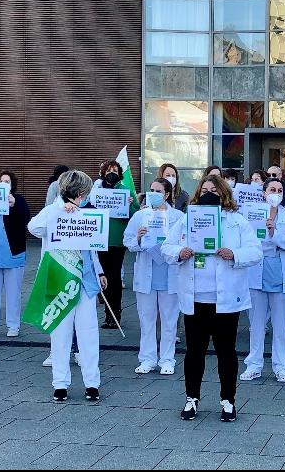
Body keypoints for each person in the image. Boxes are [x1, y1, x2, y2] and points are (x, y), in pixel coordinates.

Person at [163, 174, 260, 423]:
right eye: (204, 190)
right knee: (194, 351)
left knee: (226, 351)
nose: (209, 194)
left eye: (214, 191)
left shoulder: (236, 221)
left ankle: (228, 400)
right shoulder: (186, 220)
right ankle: (192, 398)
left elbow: (255, 251)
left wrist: (234, 254)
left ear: (223, 194)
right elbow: (166, 247)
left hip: (226, 298)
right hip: (195, 297)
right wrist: (179, 252)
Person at [30, 170, 107, 402]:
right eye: (85, 192)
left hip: (84, 281)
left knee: (89, 333)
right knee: (60, 333)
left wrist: (100, 271)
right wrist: (58, 210)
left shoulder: (87, 213)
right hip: (59, 277)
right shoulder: (52, 211)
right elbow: (33, 228)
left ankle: (92, 383)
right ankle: (60, 383)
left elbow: (92, 247)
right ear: (79, 192)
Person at [242, 177, 285, 383]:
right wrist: (272, 240)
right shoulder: (252, 215)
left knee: (280, 325)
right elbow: (249, 243)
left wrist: (274, 234)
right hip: (257, 274)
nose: (276, 193)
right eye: (271, 190)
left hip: (280, 274)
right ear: (264, 193)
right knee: (256, 324)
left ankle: (281, 366)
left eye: (279, 190)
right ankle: (254, 364)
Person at [124, 177, 182, 375]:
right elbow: (128, 241)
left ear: (167, 194)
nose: (153, 194)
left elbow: (184, 243)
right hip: (146, 275)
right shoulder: (141, 216)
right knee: (146, 320)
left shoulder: (178, 217)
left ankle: (167, 360)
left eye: (158, 191)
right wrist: (139, 239)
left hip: (169, 274)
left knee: (169, 321)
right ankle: (147, 359)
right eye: (151, 190)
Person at [0, 171, 31, 338]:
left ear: (12, 184)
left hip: (12, 254)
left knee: (13, 293)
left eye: (7, 181)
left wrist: (14, 204)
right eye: (1, 181)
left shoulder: (19, 201)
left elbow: (26, 219)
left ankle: (13, 325)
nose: (4, 183)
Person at [93, 159, 131, 330]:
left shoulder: (124, 190)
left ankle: (115, 314)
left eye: (115, 170)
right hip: (100, 240)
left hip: (116, 241)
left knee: (114, 277)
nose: (112, 173)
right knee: (103, 276)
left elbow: (134, 214)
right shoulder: (97, 190)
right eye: (108, 170)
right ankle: (107, 313)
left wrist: (129, 205)